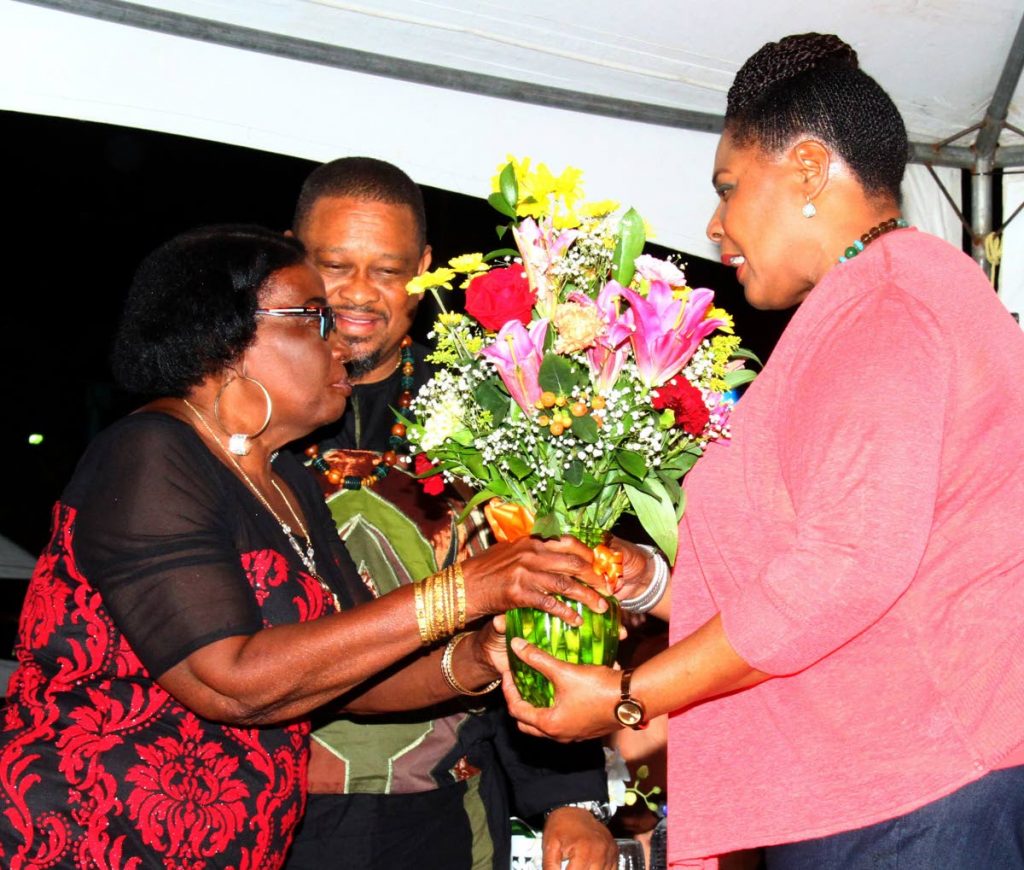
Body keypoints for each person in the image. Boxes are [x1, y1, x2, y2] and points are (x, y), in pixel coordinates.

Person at [502, 32, 1024, 869]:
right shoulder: (877, 300)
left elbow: (844, 567)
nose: (714, 226)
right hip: (891, 783)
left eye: (728, 188)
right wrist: (654, 582)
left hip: (913, 793)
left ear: (810, 170)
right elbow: (822, 565)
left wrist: (631, 697)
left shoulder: (888, 306)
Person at [0, 225, 611, 868]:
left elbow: (351, 675)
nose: (343, 341)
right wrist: (464, 590)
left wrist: (480, 657)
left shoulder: (285, 476)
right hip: (83, 835)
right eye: (315, 318)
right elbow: (230, 681)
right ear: (227, 341)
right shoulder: (150, 453)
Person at [283, 157, 619, 869]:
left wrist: (572, 800)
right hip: (270, 807)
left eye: (388, 269)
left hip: (443, 809)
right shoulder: (244, 411)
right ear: (294, 259)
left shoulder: (487, 412)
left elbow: (547, 595)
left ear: (426, 267)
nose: (359, 295)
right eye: (337, 265)